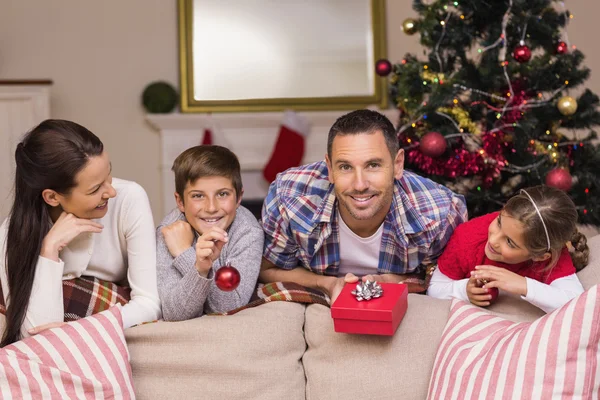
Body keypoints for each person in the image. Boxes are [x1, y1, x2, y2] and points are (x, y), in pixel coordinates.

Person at [259, 109, 468, 303]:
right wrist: (327, 284)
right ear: (329, 168)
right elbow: (268, 269)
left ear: (397, 165)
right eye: (345, 167)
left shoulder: (440, 212)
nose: (359, 185)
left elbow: (446, 283)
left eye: (373, 165)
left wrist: (394, 281)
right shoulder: (289, 195)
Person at [0, 119, 161, 346]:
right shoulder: (12, 233)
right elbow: (35, 337)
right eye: (96, 189)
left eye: (109, 176)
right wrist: (49, 250)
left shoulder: (130, 198)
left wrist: (82, 330)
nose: (111, 191)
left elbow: (149, 303)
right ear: (52, 197)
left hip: (107, 312)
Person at [427, 185, 588, 313]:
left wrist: (522, 285)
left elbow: (578, 306)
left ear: (540, 257)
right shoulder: (467, 238)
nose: (493, 240)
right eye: (498, 222)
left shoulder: (551, 259)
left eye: (510, 242)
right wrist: (464, 290)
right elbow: (434, 289)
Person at [156, 145, 263, 321]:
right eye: (198, 196)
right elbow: (174, 314)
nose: (211, 208)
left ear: (239, 198)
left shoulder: (248, 232)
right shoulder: (169, 232)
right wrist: (198, 267)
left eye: (222, 194)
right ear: (180, 201)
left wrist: (185, 254)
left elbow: (228, 308)